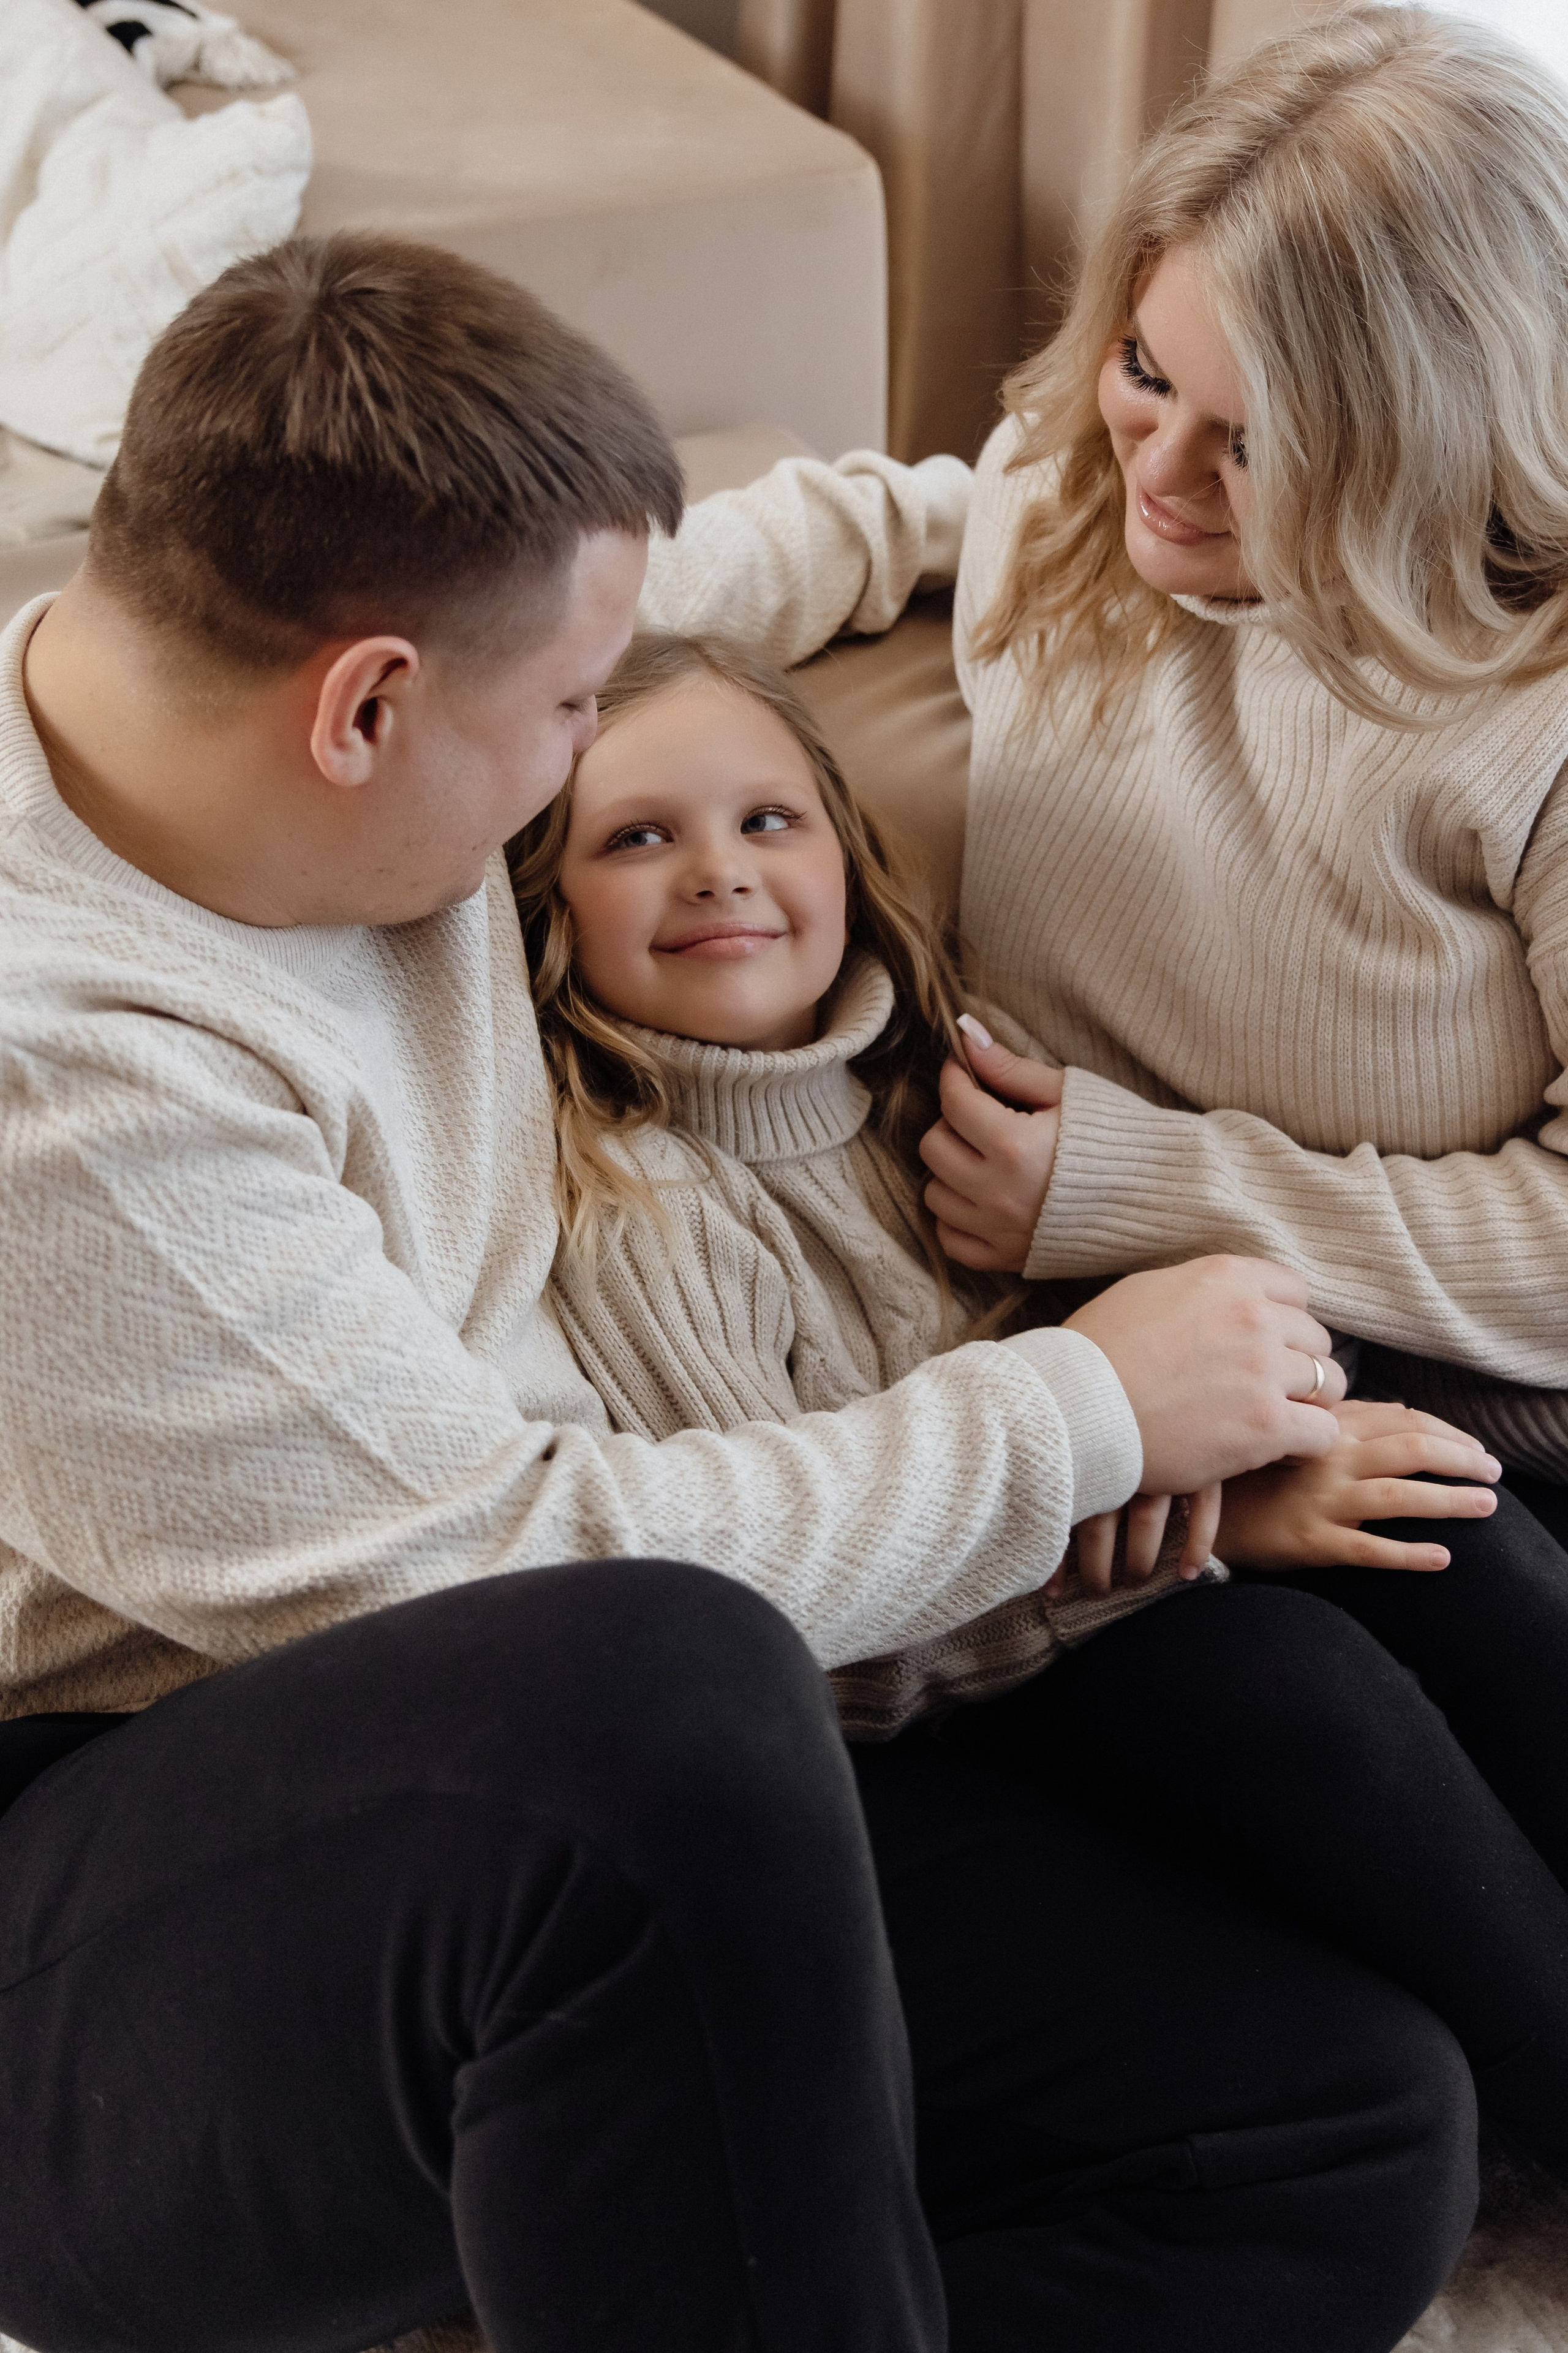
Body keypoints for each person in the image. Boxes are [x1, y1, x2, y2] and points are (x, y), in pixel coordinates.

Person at [0, 230, 1468, 2353]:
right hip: (106, 1906)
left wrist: (1073, 506)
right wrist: (1079, 1411)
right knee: (656, 1691)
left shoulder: (252, 672)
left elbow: (697, 589)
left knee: (1336, 2118)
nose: (600, 740)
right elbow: (498, 1578)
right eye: (575, 718)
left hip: (537, 1775)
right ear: (370, 707)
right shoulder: (66, 1089)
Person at [511, 623, 1568, 2186]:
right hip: (945, 1693)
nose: (719, 871)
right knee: (1270, 1680)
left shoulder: (932, 1079)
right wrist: (1224, 1529)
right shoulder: (633, 1207)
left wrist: (1285, 1434)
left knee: (1443, 1507)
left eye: (766, 819)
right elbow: (799, 1619)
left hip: (1121, 1577)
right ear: (541, 906)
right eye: (637, 837)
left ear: (844, 849)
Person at [638, 4, 1568, 1557]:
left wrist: (1141, 1187)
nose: (1153, 469)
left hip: (1470, 1418)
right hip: (1081, 1357)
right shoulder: (1072, 486)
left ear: (1431, 442)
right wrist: (550, 632)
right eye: (1144, 369)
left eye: (1257, 442)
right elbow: (918, 506)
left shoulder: (1526, 715)